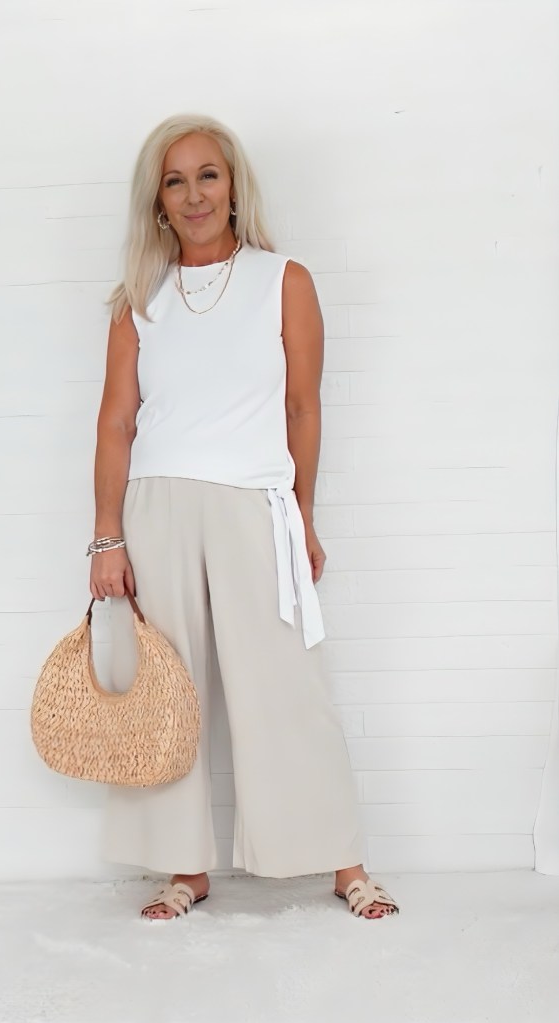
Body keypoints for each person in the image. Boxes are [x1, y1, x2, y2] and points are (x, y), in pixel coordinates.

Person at [89, 114, 400, 922]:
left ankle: (342, 860)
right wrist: (106, 536)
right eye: (175, 180)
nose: (194, 194)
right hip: (156, 508)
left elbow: (302, 404)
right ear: (157, 201)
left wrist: (302, 515)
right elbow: (116, 421)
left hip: (252, 502)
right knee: (167, 692)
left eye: (208, 175)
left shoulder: (283, 278)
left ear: (234, 186)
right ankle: (183, 869)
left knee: (284, 687)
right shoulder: (140, 299)